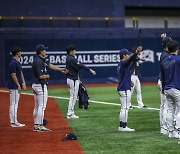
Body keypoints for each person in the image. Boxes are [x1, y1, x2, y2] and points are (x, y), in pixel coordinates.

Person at [32, 44, 68, 132]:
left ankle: (36, 125)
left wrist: (60, 69)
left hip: (35, 85)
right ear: (41, 52)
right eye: (44, 50)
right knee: (41, 106)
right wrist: (47, 76)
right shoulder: (39, 62)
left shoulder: (40, 59)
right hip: (40, 85)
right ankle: (40, 126)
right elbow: (41, 76)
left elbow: (50, 65)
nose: (46, 51)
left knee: (37, 106)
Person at [66, 45, 96, 119]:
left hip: (72, 78)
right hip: (72, 79)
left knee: (73, 96)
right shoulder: (71, 58)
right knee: (73, 97)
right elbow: (81, 65)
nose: (75, 51)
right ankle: (70, 113)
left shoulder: (69, 58)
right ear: (71, 51)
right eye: (74, 50)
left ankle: (71, 113)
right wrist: (90, 70)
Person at [117, 47, 142, 132]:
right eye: (127, 54)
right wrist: (136, 53)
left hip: (121, 87)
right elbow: (131, 59)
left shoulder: (120, 63)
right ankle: (124, 127)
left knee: (123, 108)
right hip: (124, 88)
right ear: (124, 55)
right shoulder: (124, 63)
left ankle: (121, 126)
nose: (129, 55)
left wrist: (129, 80)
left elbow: (124, 75)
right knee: (126, 108)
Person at [161, 40, 180, 138]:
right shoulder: (178, 59)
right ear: (177, 49)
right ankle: (178, 131)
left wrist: (163, 88)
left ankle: (171, 132)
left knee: (170, 110)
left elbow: (162, 76)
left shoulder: (164, 60)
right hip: (176, 88)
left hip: (167, 88)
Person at [8, 47, 26, 127]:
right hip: (14, 86)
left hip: (15, 85)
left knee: (14, 104)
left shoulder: (17, 62)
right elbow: (13, 75)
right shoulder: (13, 63)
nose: (21, 53)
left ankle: (14, 121)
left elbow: (20, 73)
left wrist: (23, 83)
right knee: (14, 104)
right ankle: (13, 122)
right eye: (20, 52)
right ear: (17, 53)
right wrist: (18, 85)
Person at [158, 33, 172, 135]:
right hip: (165, 81)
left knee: (164, 106)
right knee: (166, 106)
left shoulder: (165, 53)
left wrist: (164, 39)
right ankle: (164, 128)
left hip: (163, 81)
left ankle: (163, 127)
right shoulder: (165, 55)